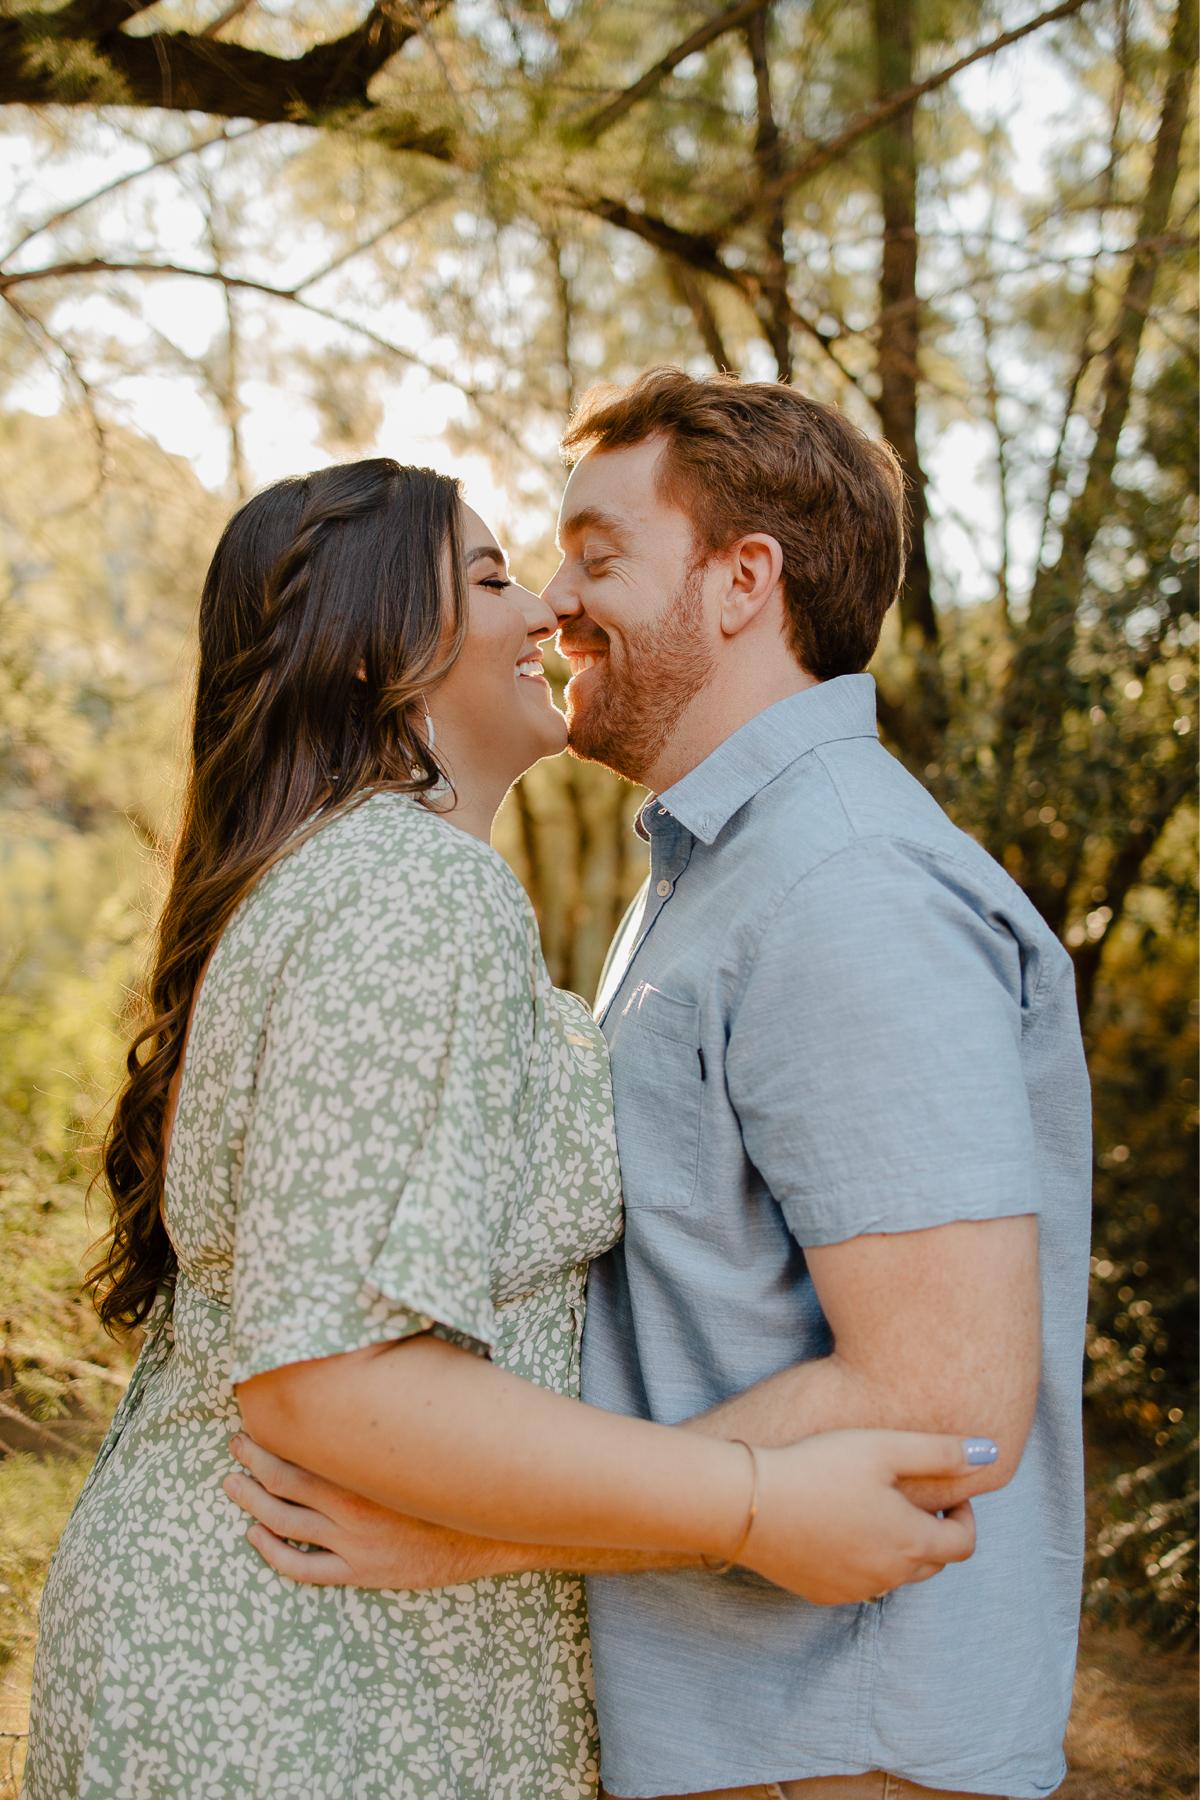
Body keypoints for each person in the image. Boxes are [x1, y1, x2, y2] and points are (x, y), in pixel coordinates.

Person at [23, 456, 984, 1800]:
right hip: (305, 1689)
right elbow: (331, 1377)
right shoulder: (410, 895)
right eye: (490, 579)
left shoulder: (361, 880)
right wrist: (756, 1509)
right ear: (372, 653)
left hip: (301, 1653)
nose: (544, 607)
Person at [229, 375, 1092, 1800]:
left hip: (839, 1742)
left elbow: (939, 1391)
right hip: (740, 1724)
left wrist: (473, 1538)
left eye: (599, 553)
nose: (555, 599)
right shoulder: (720, 871)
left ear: (744, 581)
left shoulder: (850, 884)